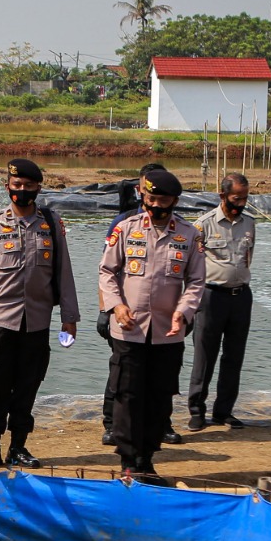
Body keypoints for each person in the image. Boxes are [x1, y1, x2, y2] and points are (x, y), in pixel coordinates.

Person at [0, 158, 79, 469]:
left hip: (37, 320)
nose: (22, 190)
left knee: (29, 383)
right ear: (7, 187)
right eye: (17, 185)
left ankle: (18, 446)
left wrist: (69, 317)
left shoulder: (51, 224)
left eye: (29, 186)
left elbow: (64, 272)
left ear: (38, 188)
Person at [99, 169, 204, 477]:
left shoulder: (189, 234)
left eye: (164, 200)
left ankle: (147, 459)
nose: (156, 205)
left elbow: (196, 281)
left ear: (175, 201)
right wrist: (116, 306)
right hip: (129, 328)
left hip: (167, 332)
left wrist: (184, 311)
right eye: (152, 199)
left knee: (160, 396)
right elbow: (107, 271)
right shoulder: (125, 228)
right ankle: (129, 463)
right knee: (127, 395)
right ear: (143, 196)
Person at [99, 163, 173, 445]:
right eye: (147, 189)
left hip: (162, 320)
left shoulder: (180, 228)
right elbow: (106, 270)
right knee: (121, 373)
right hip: (126, 315)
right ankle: (112, 424)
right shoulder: (124, 223)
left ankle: (162, 424)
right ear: (140, 189)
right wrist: (105, 310)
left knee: (161, 375)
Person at [188, 172, 255, 431]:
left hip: (240, 297)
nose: (241, 204)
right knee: (204, 356)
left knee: (234, 357)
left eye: (245, 199)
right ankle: (197, 410)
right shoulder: (203, 225)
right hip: (210, 297)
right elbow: (192, 266)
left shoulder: (249, 223)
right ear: (223, 196)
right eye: (236, 199)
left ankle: (224, 411)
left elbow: (248, 257)